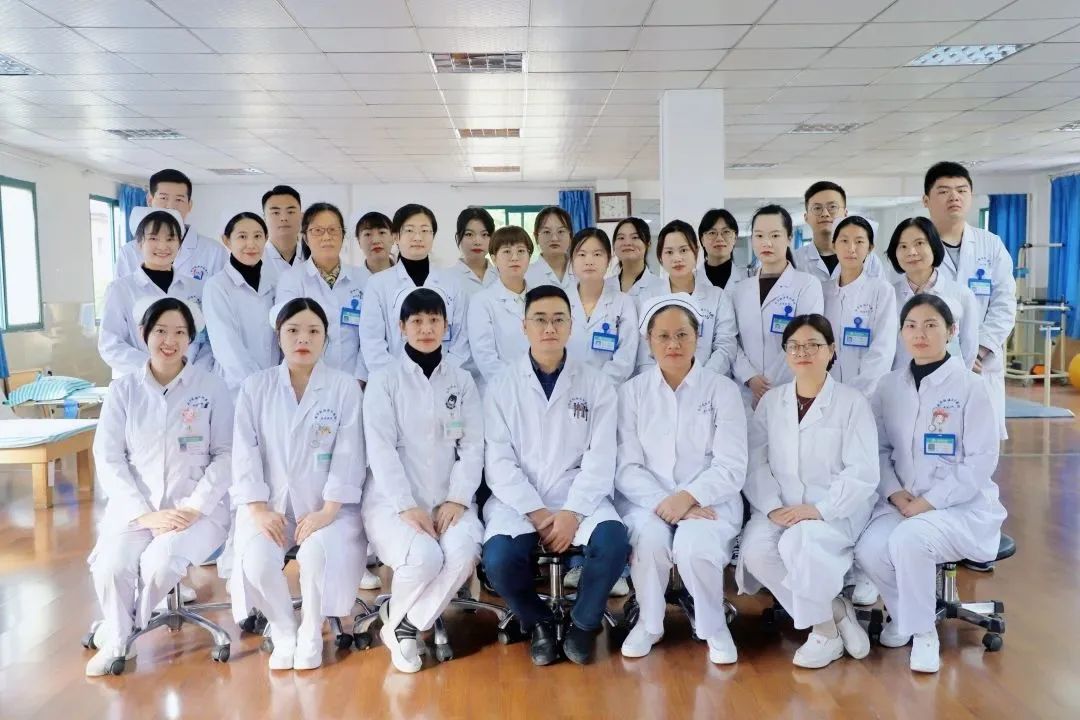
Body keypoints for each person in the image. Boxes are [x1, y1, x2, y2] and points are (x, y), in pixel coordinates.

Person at [855, 294, 1006, 673]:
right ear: (901, 333)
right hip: (902, 500)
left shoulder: (971, 387)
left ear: (951, 331)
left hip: (959, 507)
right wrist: (894, 492)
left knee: (910, 540)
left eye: (930, 325)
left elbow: (980, 461)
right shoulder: (889, 386)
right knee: (868, 548)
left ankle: (924, 634)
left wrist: (929, 502)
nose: (919, 334)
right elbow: (878, 449)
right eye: (911, 326)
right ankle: (905, 615)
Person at [481, 285, 630, 666]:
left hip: (576, 495)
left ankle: (583, 622)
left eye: (558, 319)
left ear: (571, 326)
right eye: (540, 320)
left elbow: (601, 457)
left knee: (613, 541)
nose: (549, 328)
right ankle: (539, 622)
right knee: (498, 559)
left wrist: (572, 512)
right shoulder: (501, 385)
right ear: (524, 326)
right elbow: (498, 460)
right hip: (519, 499)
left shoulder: (596, 383)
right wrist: (536, 511)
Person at [85, 298, 232, 676]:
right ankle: (121, 638)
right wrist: (144, 513)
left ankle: (121, 633)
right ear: (144, 334)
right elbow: (109, 457)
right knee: (111, 566)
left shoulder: (211, 387)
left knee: (160, 562)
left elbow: (227, 454)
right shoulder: (124, 391)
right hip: (137, 509)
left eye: (180, 332)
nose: (170, 340)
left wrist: (195, 507)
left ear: (191, 338)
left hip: (195, 511)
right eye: (161, 331)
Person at [229, 298, 367, 671]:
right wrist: (258, 509)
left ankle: (310, 630)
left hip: (329, 507)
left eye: (313, 331)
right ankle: (284, 627)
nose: (302, 339)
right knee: (257, 561)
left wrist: (327, 511)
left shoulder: (343, 387)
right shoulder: (255, 387)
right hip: (268, 506)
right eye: (293, 330)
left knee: (315, 555)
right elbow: (244, 452)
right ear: (279, 336)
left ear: (325, 338)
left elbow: (350, 454)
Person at [737, 314, 878, 669]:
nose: (803, 353)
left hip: (834, 509)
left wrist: (820, 509)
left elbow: (863, 471)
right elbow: (755, 462)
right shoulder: (772, 402)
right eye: (794, 346)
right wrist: (771, 506)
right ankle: (833, 612)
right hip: (779, 505)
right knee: (756, 553)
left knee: (798, 543)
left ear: (831, 350)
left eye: (813, 345)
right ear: (785, 353)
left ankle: (824, 635)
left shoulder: (852, 402)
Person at [615, 294, 746, 664]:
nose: (673, 344)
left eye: (682, 335)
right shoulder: (632, 393)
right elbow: (626, 466)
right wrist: (668, 503)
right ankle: (649, 623)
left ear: (697, 338)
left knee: (694, 546)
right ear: (649, 341)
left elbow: (731, 465)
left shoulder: (722, 390)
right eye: (663, 336)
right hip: (647, 500)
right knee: (650, 540)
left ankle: (713, 626)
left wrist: (687, 498)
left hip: (710, 501)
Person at [362, 288, 484, 673]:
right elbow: (381, 450)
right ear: (402, 327)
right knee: (425, 557)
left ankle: (405, 624)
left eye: (434, 320)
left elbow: (473, 446)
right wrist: (406, 505)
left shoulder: (461, 381)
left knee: (463, 553)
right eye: (417, 321)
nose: (426, 329)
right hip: (392, 503)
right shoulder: (384, 381)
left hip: (450, 502)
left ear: (446, 326)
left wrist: (458, 498)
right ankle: (406, 625)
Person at [923, 161, 1015, 441]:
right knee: (935, 439)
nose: (954, 197)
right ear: (926, 200)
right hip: (932, 362)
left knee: (980, 446)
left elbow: (1004, 304)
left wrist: (978, 350)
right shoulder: (915, 247)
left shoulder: (991, 245)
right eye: (944, 191)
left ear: (971, 197)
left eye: (962, 190)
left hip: (980, 364)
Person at [99, 208, 213, 379]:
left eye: (170, 239)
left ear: (179, 245)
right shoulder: (120, 289)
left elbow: (209, 342)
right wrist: (156, 367)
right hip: (140, 380)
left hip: (190, 380)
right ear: (139, 243)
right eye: (153, 238)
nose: (162, 246)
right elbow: (110, 345)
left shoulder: (198, 288)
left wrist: (191, 372)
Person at [359, 204, 470, 376]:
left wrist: (443, 374)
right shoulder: (377, 284)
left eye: (425, 231)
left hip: (445, 377)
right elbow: (372, 342)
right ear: (396, 236)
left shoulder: (453, 283)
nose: (418, 237)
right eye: (410, 230)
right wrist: (399, 378)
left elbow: (462, 337)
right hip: (394, 380)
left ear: (433, 236)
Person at [731, 205, 824, 409]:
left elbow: (806, 339)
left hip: (790, 389)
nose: (767, 243)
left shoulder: (806, 285)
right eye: (759, 236)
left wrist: (768, 386)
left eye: (775, 235)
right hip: (747, 392)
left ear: (789, 238)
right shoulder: (740, 290)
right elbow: (732, 341)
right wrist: (750, 377)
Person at [275, 202, 369, 383]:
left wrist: (359, 378)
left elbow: (370, 334)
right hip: (307, 380)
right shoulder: (292, 279)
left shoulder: (363, 279)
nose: (327, 237)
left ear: (343, 235)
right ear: (305, 237)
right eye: (318, 231)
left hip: (354, 380)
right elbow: (289, 331)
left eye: (333, 230)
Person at [636, 220, 738, 377]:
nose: (677, 258)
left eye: (683, 250)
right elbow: (645, 351)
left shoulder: (717, 296)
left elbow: (725, 345)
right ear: (660, 257)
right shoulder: (648, 298)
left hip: (708, 381)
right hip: (661, 384)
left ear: (696, 251)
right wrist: (662, 382)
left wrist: (702, 377)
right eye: (669, 252)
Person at [887, 217, 981, 374]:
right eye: (903, 246)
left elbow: (969, 349)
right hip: (899, 381)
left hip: (948, 382)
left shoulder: (961, 294)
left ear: (934, 245)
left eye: (919, 243)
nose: (911, 252)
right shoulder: (888, 295)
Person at [203, 212, 280, 394]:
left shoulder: (275, 283)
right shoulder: (217, 286)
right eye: (242, 237)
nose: (251, 244)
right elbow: (226, 345)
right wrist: (257, 384)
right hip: (235, 388)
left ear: (266, 238)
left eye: (258, 236)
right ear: (226, 241)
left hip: (274, 385)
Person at [822, 216, 897, 397]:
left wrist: (856, 393)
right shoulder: (822, 291)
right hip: (825, 390)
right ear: (833, 245)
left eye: (859, 241)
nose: (851, 248)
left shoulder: (881, 290)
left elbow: (883, 349)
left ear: (870, 248)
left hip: (866, 394)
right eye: (844, 241)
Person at [116, 168, 228, 280]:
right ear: (150, 201)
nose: (170, 206)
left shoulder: (214, 252)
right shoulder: (129, 252)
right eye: (163, 198)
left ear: (189, 205)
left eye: (179, 200)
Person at [567, 227, 639, 384]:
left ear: (609, 260)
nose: (589, 261)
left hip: (608, 390)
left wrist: (597, 386)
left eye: (597, 254)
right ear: (572, 260)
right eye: (582, 254)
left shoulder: (623, 303)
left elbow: (625, 357)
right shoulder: (560, 302)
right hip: (565, 386)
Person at [467, 225, 533, 392]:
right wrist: (516, 387)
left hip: (540, 388)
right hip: (502, 390)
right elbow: (485, 357)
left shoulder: (540, 299)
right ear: (494, 259)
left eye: (521, 251)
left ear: (529, 257)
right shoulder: (482, 301)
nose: (514, 257)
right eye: (507, 251)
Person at [793, 181, 885, 282]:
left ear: (845, 214)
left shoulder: (869, 260)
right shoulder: (794, 261)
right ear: (806, 217)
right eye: (817, 208)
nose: (825, 214)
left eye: (832, 207)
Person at [524, 206, 575, 291]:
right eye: (547, 232)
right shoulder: (525, 275)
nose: (554, 238)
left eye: (561, 231)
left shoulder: (582, 271)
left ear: (570, 236)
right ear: (536, 237)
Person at [698, 208, 749, 290]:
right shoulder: (692, 280)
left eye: (726, 232)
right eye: (712, 233)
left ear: (735, 238)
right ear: (702, 240)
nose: (719, 238)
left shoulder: (748, 278)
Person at [451, 207, 498, 295]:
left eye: (485, 234)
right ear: (458, 237)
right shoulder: (447, 278)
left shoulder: (502, 277)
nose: (477, 242)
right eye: (469, 234)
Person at [262, 185, 307, 275]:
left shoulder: (314, 258)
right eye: (276, 212)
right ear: (264, 218)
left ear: (301, 216)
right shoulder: (254, 259)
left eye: (290, 212)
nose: (283, 218)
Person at [607, 217, 656, 298]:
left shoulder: (662, 288)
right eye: (621, 238)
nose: (627, 243)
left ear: (648, 244)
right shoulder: (604, 287)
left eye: (635, 237)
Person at [354, 211, 395, 281]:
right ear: (359, 242)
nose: (376, 241)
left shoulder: (408, 275)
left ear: (393, 237)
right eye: (367, 234)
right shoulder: (352, 280)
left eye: (382, 232)